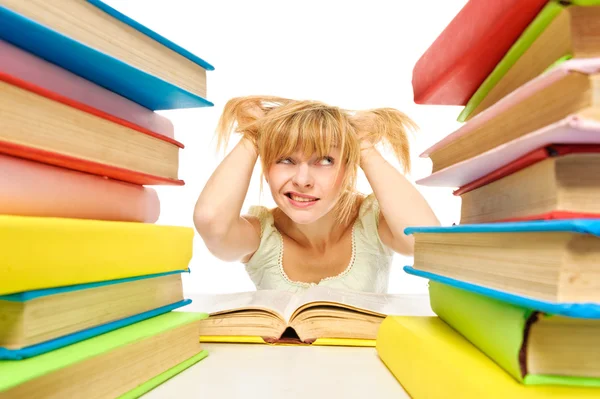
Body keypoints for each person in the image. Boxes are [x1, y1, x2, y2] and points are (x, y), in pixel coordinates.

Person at [193, 96, 440, 293]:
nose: (302, 180)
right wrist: (255, 135)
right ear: (266, 169)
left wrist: (361, 146)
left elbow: (424, 241)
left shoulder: (372, 223)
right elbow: (211, 222)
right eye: (285, 159)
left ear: (349, 167)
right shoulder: (261, 237)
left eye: (325, 160)